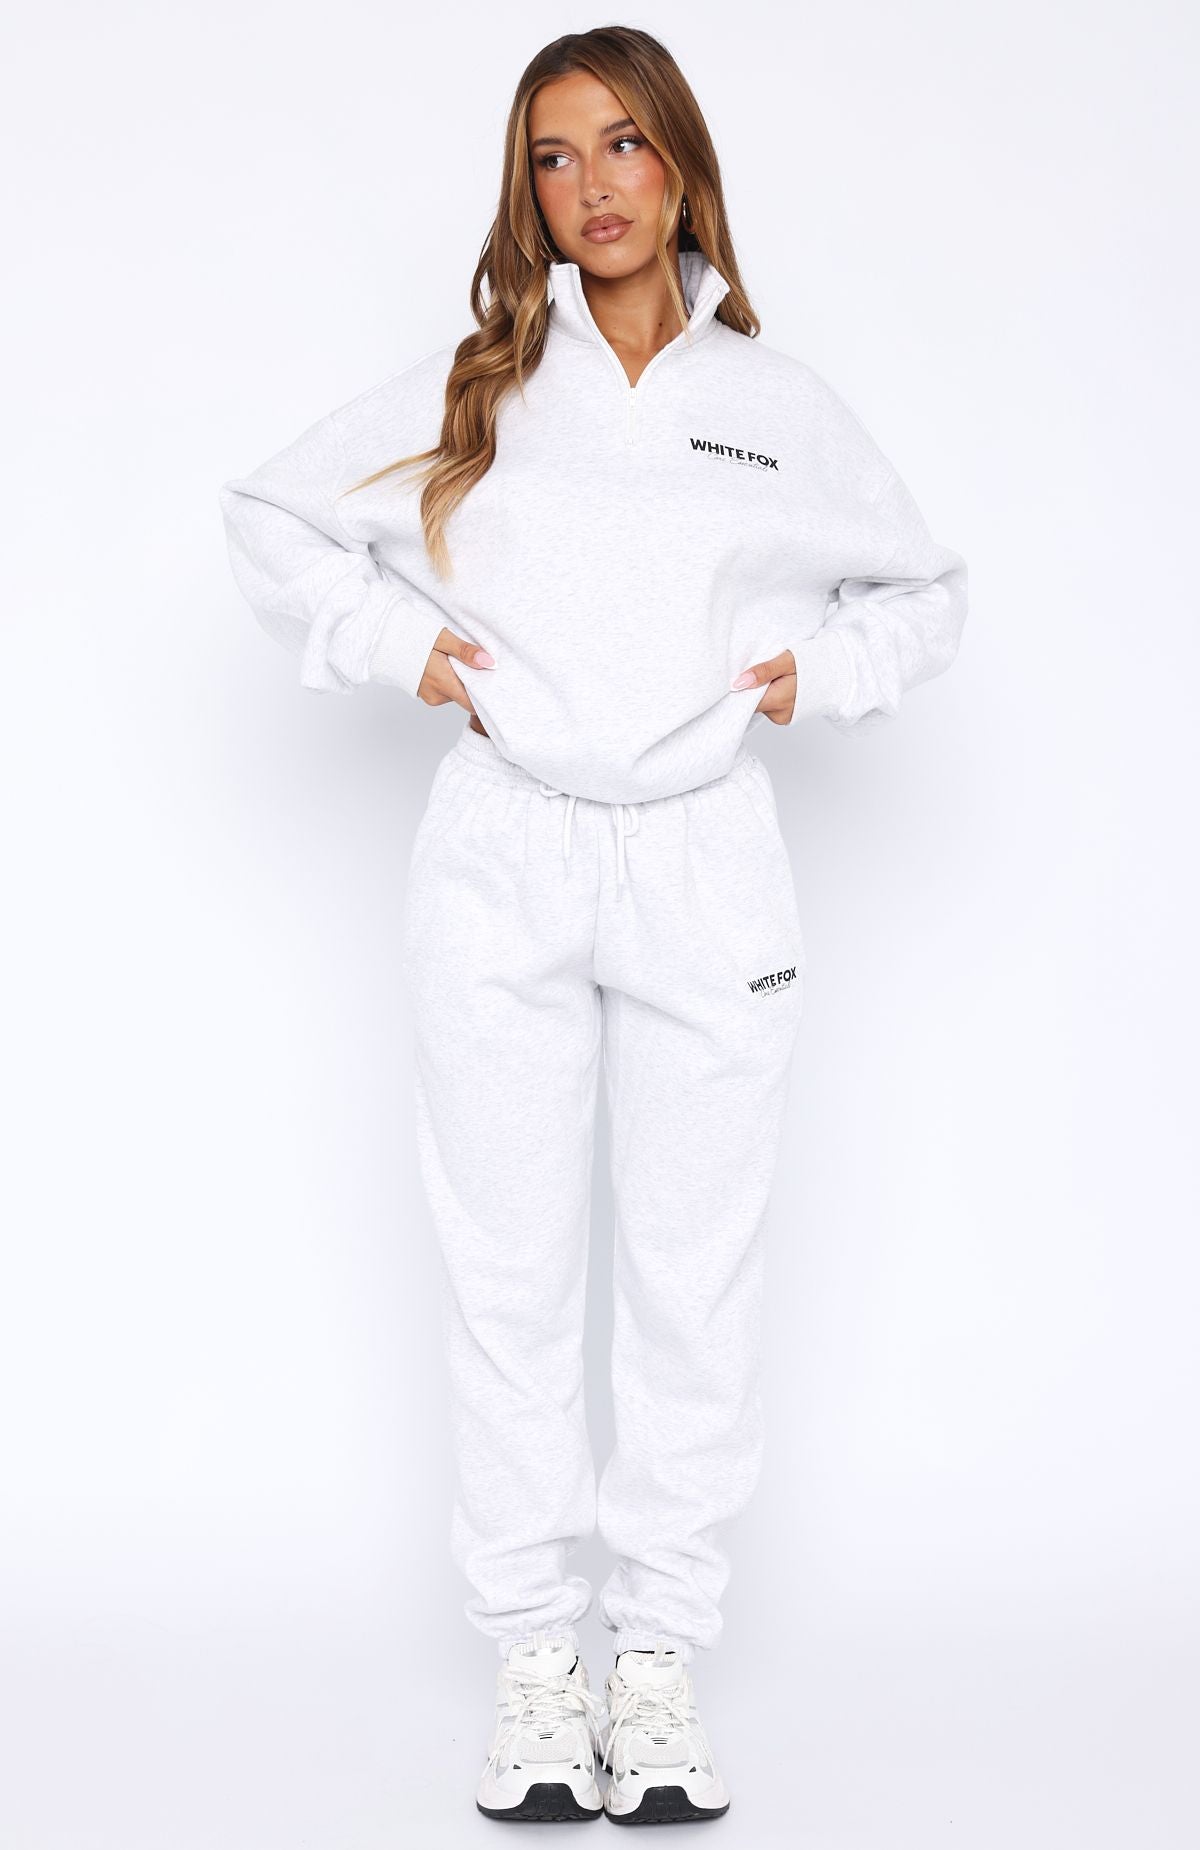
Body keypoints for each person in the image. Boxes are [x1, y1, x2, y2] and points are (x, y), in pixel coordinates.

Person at [218, 24, 968, 1827]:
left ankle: (658, 1661)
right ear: (527, 191)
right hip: (505, 849)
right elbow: (268, 517)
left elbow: (927, 594)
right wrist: (397, 644)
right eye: (554, 158)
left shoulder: (773, 406)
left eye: (624, 145)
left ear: (683, 166)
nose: (593, 187)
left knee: (693, 1274)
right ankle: (537, 1671)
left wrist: (819, 673)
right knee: (510, 1268)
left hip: (707, 860)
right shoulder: (482, 386)